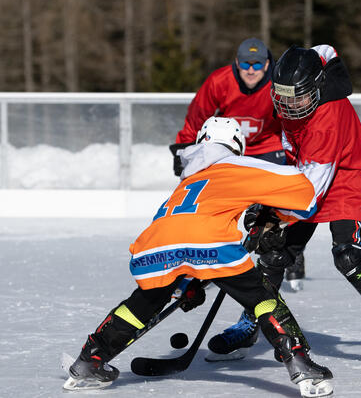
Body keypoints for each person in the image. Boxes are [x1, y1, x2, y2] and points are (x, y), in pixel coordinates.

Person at [64, 117, 333, 397]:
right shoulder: (237, 164)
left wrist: (185, 283)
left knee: (141, 306)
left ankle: (88, 361)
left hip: (153, 247)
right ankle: (300, 364)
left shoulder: (189, 178)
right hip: (210, 242)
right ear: (237, 145)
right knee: (262, 299)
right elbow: (304, 192)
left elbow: (178, 236)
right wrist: (274, 216)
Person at [207, 45, 361, 370]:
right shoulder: (294, 96)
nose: (289, 107)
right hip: (308, 170)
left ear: (317, 89)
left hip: (347, 175)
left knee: (347, 255)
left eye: (297, 99)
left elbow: (308, 196)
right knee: (274, 256)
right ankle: (252, 322)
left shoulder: (325, 121)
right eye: (283, 98)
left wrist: (272, 216)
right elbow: (325, 51)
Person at [169, 37, 307, 289]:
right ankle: (211, 254)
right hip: (228, 149)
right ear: (236, 62)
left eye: (257, 64)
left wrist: (297, 153)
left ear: (267, 64)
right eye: (246, 64)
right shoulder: (219, 82)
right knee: (216, 199)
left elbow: (293, 119)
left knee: (276, 204)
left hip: (268, 145)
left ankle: (289, 251)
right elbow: (197, 117)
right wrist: (184, 150)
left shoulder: (278, 85)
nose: (251, 70)